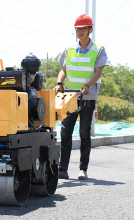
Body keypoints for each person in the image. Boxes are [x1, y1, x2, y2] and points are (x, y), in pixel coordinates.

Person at [54, 14, 109, 180]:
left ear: (90, 30)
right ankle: (62, 168)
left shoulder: (98, 50)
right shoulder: (68, 49)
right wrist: (59, 83)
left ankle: (82, 169)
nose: (81, 31)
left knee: (84, 133)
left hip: (88, 96)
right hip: (70, 97)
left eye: (84, 28)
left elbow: (98, 72)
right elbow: (63, 69)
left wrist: (87, 86)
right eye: (78, 29)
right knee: (65, 133)